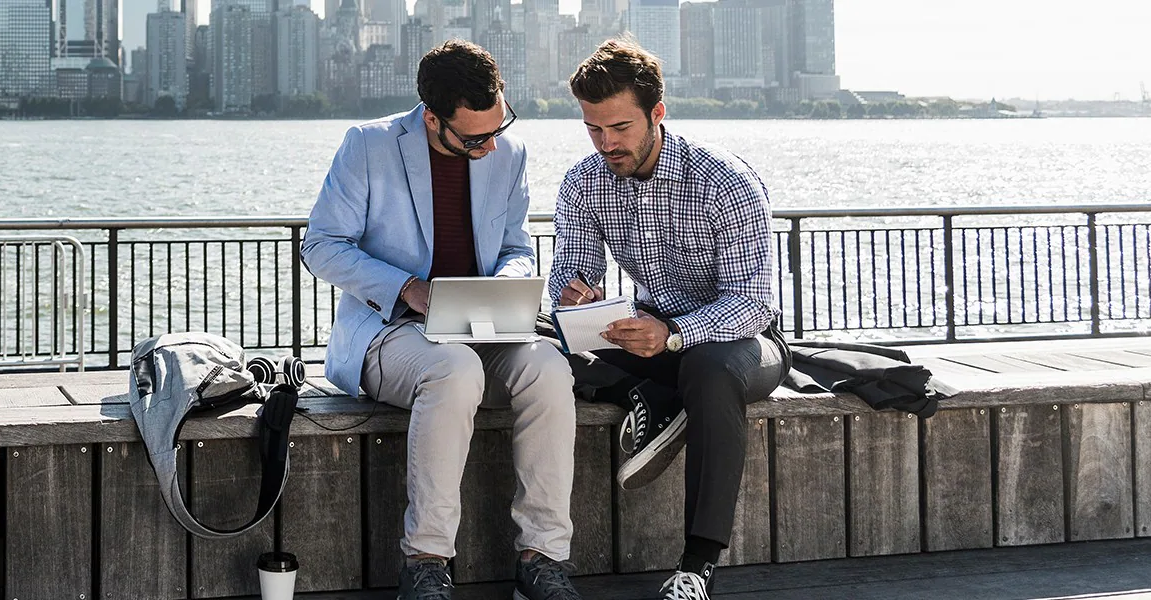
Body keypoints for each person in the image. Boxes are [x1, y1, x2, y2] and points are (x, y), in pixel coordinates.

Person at [302, 40, 582, 600]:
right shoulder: (367, 145)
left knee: (550, 367)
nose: (489, 145)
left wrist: (508, 283)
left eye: (498, 127)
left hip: (483, 327)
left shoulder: (509, 152)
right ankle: (425, 562)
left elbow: (516, 246)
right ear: (431, 116)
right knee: (454, 370)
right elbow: (322, 245)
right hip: (390, 331)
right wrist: (408, 289)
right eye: (475, 137)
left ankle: (542, 558)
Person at [546, 38, 792, 600]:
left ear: (658, 113)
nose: (607, 143)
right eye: (593, 129)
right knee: (538, 340)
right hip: (649, 336)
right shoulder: (584, 181)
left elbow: (753, 303)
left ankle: (697, 566)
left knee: (706, 370)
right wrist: (579, 299)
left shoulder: (724, 181)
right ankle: (651, 397)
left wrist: (675, 334)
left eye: (621, 127)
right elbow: (570, 274)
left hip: (742, 342)